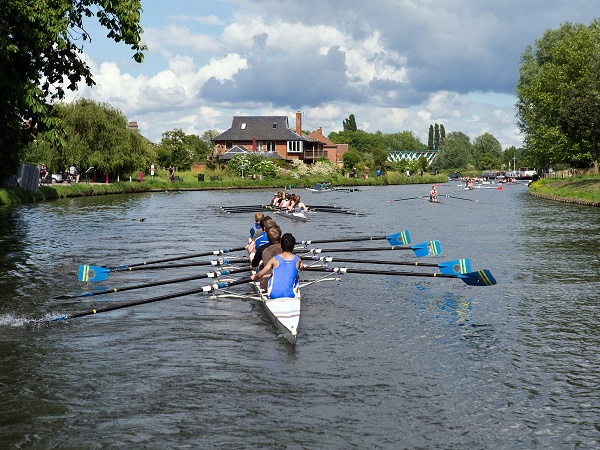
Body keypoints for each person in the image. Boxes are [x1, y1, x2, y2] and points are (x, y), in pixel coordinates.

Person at [251, 233, 303, 299]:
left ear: (281, 246)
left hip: (273, 294)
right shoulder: (298, 260)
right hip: (291, 295)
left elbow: (260, 275)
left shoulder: (274, 259)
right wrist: (302, 267)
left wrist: (254, 278)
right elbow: (301, 267)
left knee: (271, 275)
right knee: (297, 276)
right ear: (293, 246)